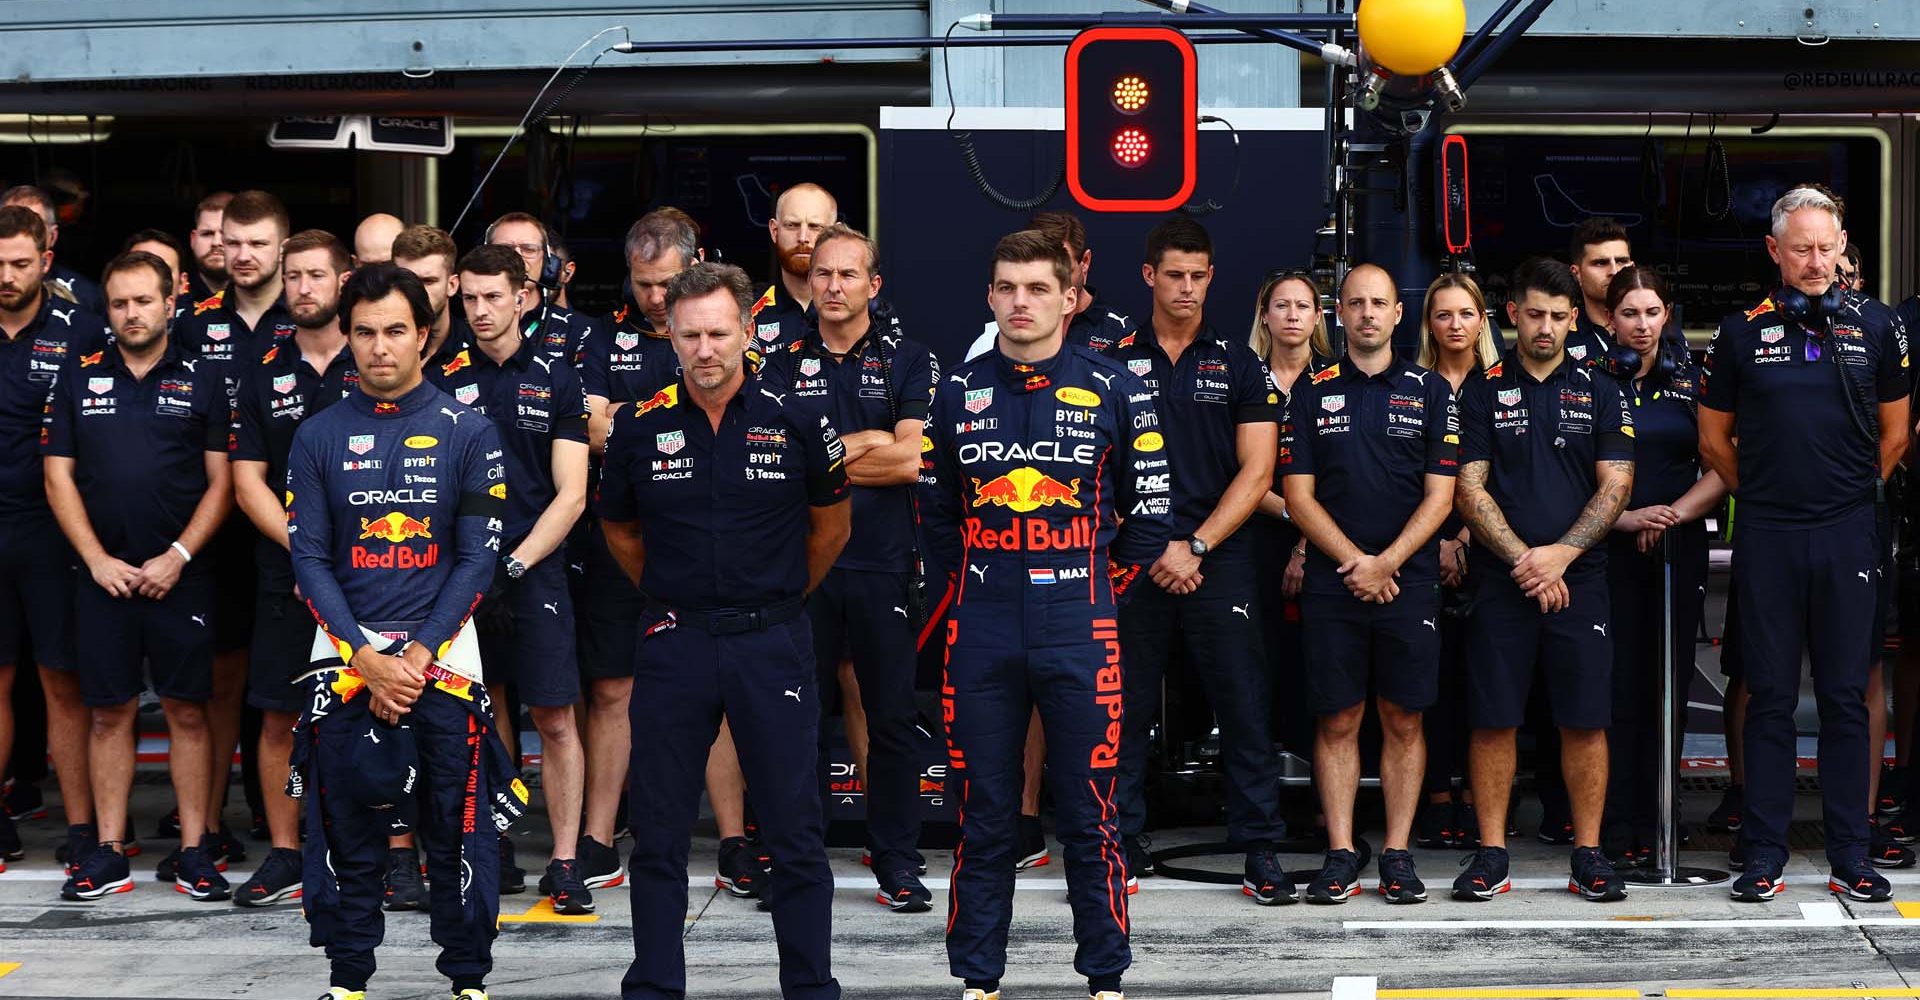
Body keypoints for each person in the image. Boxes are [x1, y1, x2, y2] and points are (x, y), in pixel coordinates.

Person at [920, 229, 1167, 1000]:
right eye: (1006, 288)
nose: (1020, 302)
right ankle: (978, 978)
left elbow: (1153, 514)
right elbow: (933, 514)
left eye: (1036, 288)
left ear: (1070, 296)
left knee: (1090, 815)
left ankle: (1105, 977)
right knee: (988, 815)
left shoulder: (1118, 387)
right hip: (983, 623)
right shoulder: (957, 391)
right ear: (989, 296)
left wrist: (1091, 587)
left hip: (1079, 621)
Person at [598, 261, 850, 1000]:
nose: (706, 349)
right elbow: (620, 532)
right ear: (668, 337)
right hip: (675, 640)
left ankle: (809, 988)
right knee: (661, 832)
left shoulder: (799, 419)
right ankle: (654, 986)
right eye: (690, 335)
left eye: (719, 332)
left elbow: (830, 529)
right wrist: (673, 595)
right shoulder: (638, 427)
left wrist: (776, 597)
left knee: (797, 833)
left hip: (772, 639)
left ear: (748, 331)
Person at [285, 262, 514, 1000]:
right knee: (345, 831)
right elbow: (309, 557)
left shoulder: (470, 430)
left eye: (394, 331)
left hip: (442, 661)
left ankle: (468, 979)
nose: (379, 347)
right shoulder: (316, 436)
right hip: (346, 663)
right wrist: (365, 657)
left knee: (456, 831)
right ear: (345, 337)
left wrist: (412, 657)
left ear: (424, 335)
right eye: (363, 332)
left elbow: (480, 557)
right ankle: (348, 979)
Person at [1700, 185, 1911, 903]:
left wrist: (1848, 496)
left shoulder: (1879, 326)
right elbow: (1712, 438)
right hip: (1769, 532)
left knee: (1849, 698)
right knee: (1769, 698)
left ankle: (1851, 854)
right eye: (1802, 249)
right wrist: (1762, 495)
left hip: (1850, 529)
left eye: (1828, 247)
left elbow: (1896, 434)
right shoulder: (1738, 333)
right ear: (1775, 252)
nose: (1817, 261)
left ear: (1842, 245)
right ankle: (1763, 853)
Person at [1098, 217, 1287, 902]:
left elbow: (1259, 469)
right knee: (1122, 707)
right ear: (1149, 275)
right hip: (1134, 560)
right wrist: (1153, 547)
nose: (1186, 286)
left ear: (1211, 276)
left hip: (1219, 558)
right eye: (1173, 274)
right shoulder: (1109, 360)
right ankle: (1115, 844)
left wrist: (1197, 543)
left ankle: (1260, 848)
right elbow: (1094, 468)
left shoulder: (1238, 362)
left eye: (1197, 274)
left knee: (1243, 704)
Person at [759, 223, 938, 911]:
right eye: (823, 273)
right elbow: (776, 464)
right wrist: (866, 443)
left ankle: (895, 858)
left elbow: (912, 459)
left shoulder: (907, 359)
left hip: (882, 566)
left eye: (847, 275)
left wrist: (826, 455)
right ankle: (792, 858)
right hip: (800, 569)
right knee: (795, 719)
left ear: (873, 284)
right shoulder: (778, 361)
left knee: (890, 717)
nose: (833, 286)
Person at [44, 250, 232, 902]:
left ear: (170, 303)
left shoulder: (206, 378)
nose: (131, 313)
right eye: (119, 303)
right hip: (102, 577)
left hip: (182, 575)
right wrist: (96, 558)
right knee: (107, 714)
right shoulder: (77, 375)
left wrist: (178, 555)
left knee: (186, 712)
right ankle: (107, 851)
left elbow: (223, 482)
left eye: (143, 301)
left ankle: (194, 851)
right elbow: (57, 475)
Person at [1452, 257, 1635, 903]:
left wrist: (1558, 555)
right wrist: (1527, 561)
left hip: (1579, 578)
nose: (1547, 328)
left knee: (1585, 720)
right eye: (1536, 314)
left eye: (1559, 317)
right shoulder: (1479, 390)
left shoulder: (1603, 387)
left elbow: (1617, 483)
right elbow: (1467, 487)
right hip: (1503, 582)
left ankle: (1588, 854)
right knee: (1493, 719)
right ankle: (1491, 853)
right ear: (1512, 314)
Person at [1280, 263, 1459, 904]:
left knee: (1404, 719)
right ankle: (1338, 852)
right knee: (1337, 721)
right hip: (1336, 582)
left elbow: (1443, 497)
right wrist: (1358, 562)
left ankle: (1399, 854)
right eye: (1355, 303)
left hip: (1408, 582)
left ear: (1395, 314)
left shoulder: (1432, 390)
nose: (1366, 314)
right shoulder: (1310, 389)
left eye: (1378, 303)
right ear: (1340, 313)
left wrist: (1387, 563)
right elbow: (1298, 496)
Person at [433, 244, 593, 913]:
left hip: (534, 571)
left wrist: (517, 563)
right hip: (459, 576)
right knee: (481, 713)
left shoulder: (556, 377)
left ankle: (564, 860)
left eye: (493, 297)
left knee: (555, 717)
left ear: (523, 296)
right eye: (468, 298)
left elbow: (573, 494)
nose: (480, 310)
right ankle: (491, 846)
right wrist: (472, 570)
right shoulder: (437, 379)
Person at [227, 229, 359, 907]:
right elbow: (246, 479)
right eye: (294, 276)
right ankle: (286, 854)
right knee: (280, 718)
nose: (304, 288)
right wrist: (304, 548)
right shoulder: (264, 366)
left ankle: (383, 854)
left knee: (376, 712)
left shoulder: (376, 357)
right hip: (287, 572)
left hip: (375, 572)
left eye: (316, 275)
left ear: (345, 279)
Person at [573, 208, 696, 893]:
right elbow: (589, 426)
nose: (654, 297)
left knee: (714, 686)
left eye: (667, 283)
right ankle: (597, 836)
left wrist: (630, 419)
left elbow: (730, 412)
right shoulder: (600, 336)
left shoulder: (717, 329)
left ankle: (734, 837)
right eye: (644, 283)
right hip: (619, 535)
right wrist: (675, 418)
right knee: (613, 686)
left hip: (704, 537)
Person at [1595, 266, 1726, 866]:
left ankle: (1661, 815)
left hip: (1677, 544)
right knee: (1616, 685)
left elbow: (1724, 466)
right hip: (1606, 546)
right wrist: (1622, 520)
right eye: (1630, 313)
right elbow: (1570, 468)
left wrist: (1668, 515)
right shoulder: (1589, 382)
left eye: (1652, 312)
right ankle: (1612, 821)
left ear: (1666, 315)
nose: (1641, 325)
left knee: (1669, 685)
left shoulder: (1693, 383)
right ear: (1609, 318)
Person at [0, 204, 102, 871]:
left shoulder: (80, 330)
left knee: (63, 682)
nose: (5, 275)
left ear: (44, 260)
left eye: (17, 263)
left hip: (53, 529)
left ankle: (82, 828)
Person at [1412, 272, 1502, 850]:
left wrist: (1466, 539)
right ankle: (1436, 798)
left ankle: (1479, 798)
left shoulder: (1500, 384)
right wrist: (1438, 543)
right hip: (1421, 546)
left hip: (1488, 548)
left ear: (1482, 321)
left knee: (1484, 682)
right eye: (1443, 315)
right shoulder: (1412, 383)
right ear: (1428, 324)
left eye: (1465, 314)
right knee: (1430, 682)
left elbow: (1504, 474)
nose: (1455, 325)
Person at [964, 210, 1132, 360]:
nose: (1056, 281)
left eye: (1064, 270)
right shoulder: (992, 339)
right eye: (1038, 281)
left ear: (1085, 262)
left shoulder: (1122, 335)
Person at [485, 212, 592, 366]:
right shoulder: (462, 331)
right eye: (504, 249)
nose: (517, 258)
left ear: (548, 261)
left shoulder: (581, 330)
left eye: (528, 249)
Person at [752, 182, 838, 350]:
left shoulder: (860, 311)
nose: (803, 237)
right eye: (792, 225)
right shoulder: (745, 310)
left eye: (815, 226)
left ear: (835, 234)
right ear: (774, 231)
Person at [2, 184, 104, 318]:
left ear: (53, 235)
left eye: (34, 223)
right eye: (10, 223)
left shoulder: (87, 296)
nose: (19, 233)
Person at [1566, 217, 1633, 367]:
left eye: (1621, 261)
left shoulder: (1656, 328)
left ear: (1632, 266)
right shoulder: (1560, 333)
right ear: (1577, 273)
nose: (1614, 271)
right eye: (1600, 263)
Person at [186, 191, 233, 304]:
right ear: (193, 240)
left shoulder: (264, 301)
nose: (216, 242)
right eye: (207, 234)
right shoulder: (173, 298)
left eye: (225, 233)